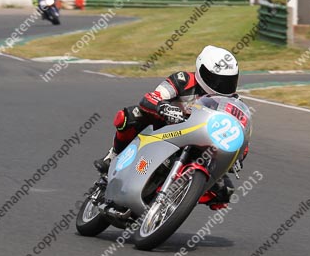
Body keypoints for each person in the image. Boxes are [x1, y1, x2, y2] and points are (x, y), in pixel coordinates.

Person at [94, 45, 243, 209]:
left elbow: (238, 132)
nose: (221, 86)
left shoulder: (232, 104)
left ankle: (173, 204)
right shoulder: (183, 80)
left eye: (228, 82)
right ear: (201, 70)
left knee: (225, 191)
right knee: (130, 116)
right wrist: (162, 106)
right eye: (215, 79)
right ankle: (114, 155)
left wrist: (239, 155)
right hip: (164, 127)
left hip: (200, 142)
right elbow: (150, 98)